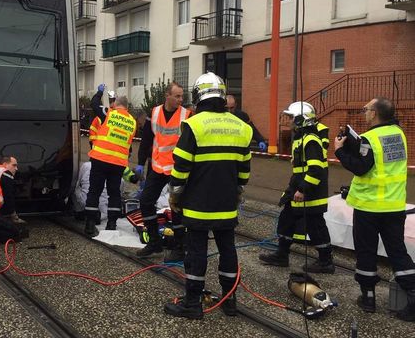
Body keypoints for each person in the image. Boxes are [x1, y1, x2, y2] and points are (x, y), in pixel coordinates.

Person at [164, 73, 252, 319]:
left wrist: (174, 196)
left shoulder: (194, 125)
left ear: (198, 95)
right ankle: (229, 300)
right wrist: (237, 191)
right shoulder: (242, 127)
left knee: (196, 252)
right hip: (227, 203)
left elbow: (181, 168)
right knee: (228, 249)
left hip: (197, 205)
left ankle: (192, 303)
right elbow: (244, 171)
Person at [334, 97, 414, 321]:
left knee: (366, 251)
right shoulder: (399, 135)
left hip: (369, 207)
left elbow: (361, 167)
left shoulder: (370, 138)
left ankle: (368, 297)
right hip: (394, 206)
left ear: (375, 113)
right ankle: (413, 295)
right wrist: (355, 145)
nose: (365, 113)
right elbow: (380, 162)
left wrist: (340, 150)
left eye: (367, 109)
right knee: (397, 251)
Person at [259, 101, 334, 274]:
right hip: (299, 189)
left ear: (301, 120)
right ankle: (282, 255)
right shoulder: (301, 139)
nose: (291, 121)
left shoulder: (310, 140)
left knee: (316, 227)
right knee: (287, 220)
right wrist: (292, 189)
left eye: (293, 118)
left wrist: (303, 189)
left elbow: (315, 170)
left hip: (311, 193)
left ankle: (326, 261)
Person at [135, 82, 192, 262]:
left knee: (176, 208)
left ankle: (179, 247)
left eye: (182, 96)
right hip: (158, 167)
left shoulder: (186, 115)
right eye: (177, 96)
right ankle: (154, 242)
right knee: (145, 202)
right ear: (167, 95)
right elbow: (146, 141)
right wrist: (140, 164)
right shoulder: (155, 113)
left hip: (177, 169)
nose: (180, 100)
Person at [85, 84, 136, 236]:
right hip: (118, 163)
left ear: (117, 105)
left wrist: (100, 92)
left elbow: (94, 104)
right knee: (114, 193)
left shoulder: (109, 113)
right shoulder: (133, 122)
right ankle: (112, 224)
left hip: (100, 159)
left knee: (94, 191)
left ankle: (90, 224)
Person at [73, 161, 138, 221]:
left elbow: (77, 184)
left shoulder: (86, 165)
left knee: (74, 187)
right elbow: (118, 196)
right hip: (104, 209)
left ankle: (78, 211)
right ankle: (101, 217)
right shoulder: (119, 176)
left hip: (86, 202)